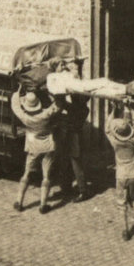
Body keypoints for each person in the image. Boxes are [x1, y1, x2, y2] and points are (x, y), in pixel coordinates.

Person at [11, 88, 61, 214]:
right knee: (46, 176)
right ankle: (43, 204)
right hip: (48, 147)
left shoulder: (24, 117)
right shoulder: (45, 115)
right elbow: (58, 105)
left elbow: (14, 103)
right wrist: (53, 94)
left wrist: (19, 90)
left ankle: (19, 201)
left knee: (27, 173)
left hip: (33, 147)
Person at [47, 59, 90, 202]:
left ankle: (83, 190)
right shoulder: (55, 81)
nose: (65, 68)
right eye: (62, 66)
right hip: (65, 127)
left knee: (75, 158)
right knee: (64, 158)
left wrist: (66, 102)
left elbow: (81, 107)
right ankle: (66, 188)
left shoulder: (72, 87)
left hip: (72, 129)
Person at [106, 102, 134, 240]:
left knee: (121, 204)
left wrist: (113, 110)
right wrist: (133, 108)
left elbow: (107, 129)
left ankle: (125, 230)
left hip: (121, 175)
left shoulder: (115, 143)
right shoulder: (133, 140)